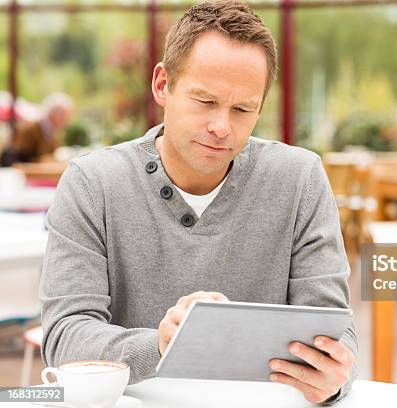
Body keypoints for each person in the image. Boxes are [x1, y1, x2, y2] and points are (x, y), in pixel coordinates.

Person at [40, 1, 357, 404]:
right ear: (162, 85)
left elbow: (336, 332)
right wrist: (162, 343)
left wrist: (333, 378)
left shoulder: (300, 179)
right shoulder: (92, 185)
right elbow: (65, 339)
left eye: (243, 109)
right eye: (205, 101)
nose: (221, 127)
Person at [0, 93, 73, 166]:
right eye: (64, 116)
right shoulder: (31, 129)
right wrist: (42, 160)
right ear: (54, 113)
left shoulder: (53, 131)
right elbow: (20, 158)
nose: (67, 120)